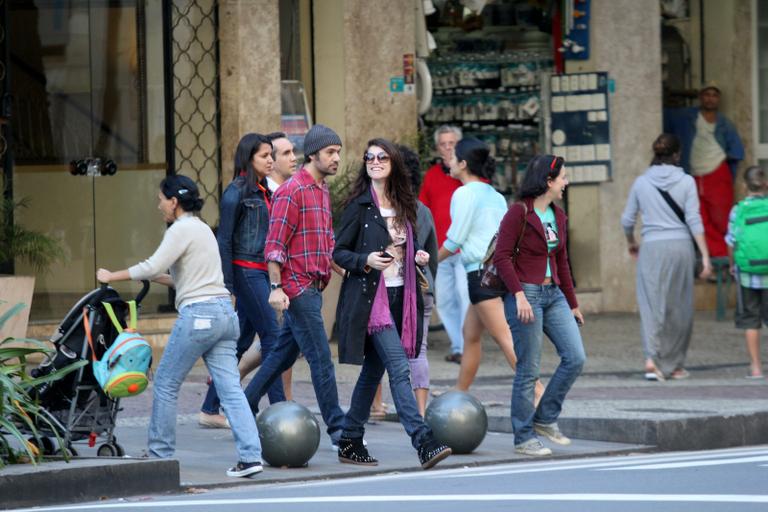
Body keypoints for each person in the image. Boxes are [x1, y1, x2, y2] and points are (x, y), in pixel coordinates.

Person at [96, 175, 263, 478]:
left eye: (161, 199)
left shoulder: (180, 229)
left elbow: (151, 266)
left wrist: (113, 276)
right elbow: (177, 278)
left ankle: (160, 455)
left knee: (166, 383)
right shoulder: (202, 230)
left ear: (174, 202)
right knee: (231, 390)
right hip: (225, 314)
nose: (159, 205)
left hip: (199, 316)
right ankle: (251, 457)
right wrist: (148, 275)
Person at [333, 138, 452, 470]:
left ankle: (350, 439)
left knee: (374, 371)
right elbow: (338, 252)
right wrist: (366, 259)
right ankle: (423, 441)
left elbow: (412, 250)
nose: (374, 161)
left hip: (404, 296)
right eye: (369, 157)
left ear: (393, 163)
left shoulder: (406, 206)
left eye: (381, 157)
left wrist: (419, 257)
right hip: (373, 300)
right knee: (399, 367)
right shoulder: (359, 206)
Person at [242, 124, 346, 448]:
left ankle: (245, 404)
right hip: (297, 288)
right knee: (321, 360)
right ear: (312, 154)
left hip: (314, 285)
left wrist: (342, 265)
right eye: (330, 152)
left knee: (280, 356)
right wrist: (276, 287)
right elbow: (274, 246)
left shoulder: (322, 189)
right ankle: (341, 433)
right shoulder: (292, 191)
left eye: (338, 152)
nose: (336, 158)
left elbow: (324, 239)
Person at [496, 154, 586, 457]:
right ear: (548, 181)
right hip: (527, 296)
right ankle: (523, 437)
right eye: (563, 177)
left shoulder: (558, 216)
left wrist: (572, 304)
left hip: (554, 295)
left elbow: (561, 261)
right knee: (528, 368)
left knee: (575, 357)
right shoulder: (518, 213)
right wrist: (519, 294)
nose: (566, 182)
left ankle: (545, 418)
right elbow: (502, 257)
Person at [437, 138, 538, 398]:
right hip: (499, 272)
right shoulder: (495, 195)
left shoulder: (463, 194)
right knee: (470, 334)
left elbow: (455, 239)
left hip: (480, 276)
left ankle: (538, 393)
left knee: (506, 339)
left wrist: (428, 260)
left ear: (463, 164)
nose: (447, 160)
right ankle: (459, 391)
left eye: (452, 157)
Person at [199, 134, 285, 429]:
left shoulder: (265, 192)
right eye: (265, 155)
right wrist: (228, 285)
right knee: (274, 339)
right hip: (246, 272)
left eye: (271, 154)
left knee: (242, 341)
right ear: (249, 158)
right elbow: (223, 240)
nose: (270, 160)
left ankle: (210, 408)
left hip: (261, 271)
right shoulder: (236, 192)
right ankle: (280, 412)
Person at [621, 134, 712, 381]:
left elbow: (627, 220)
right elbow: (694, 219)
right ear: (677, 155)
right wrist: (704, 256)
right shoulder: (687, 182)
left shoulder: (641, 182)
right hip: (681, 247)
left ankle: (652, 359)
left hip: (651, 248)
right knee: (679, 307)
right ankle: (673, 364)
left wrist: (632, 243)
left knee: (651, 305)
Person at [664, 82, 744, 259]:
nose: (710, 98)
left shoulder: (725, 123)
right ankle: (719, 257)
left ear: (719, 99)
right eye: (707, 94)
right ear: (700, 97)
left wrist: (727, 169)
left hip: (717, 173)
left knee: (722, 218)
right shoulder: (685, 116)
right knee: (700, 219)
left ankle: (732, 256)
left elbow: (737, 151)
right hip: (693, 175)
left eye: (714, 95)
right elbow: (660, 115)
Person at [419, 125, 470, 363]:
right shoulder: (431, 175)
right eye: (443, 144)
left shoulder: (467, 173)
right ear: (437, 148)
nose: (448, 148)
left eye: (452, 144)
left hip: (465, 248)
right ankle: (459, 346)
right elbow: (423, 208)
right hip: (440, 250)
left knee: (465, 295)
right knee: (446, 300)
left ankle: (469, 344)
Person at [400, 144, 439, 416]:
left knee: (378, 351)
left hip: (395, 289)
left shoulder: (384, 208)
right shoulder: (422, 210)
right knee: (419, 350)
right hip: (423, 287)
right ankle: (421, 411)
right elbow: (433, 254)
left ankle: (377, 405)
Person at [726, 165, 768, 379]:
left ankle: (756, 368)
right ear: (766, 185)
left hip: (747, 274)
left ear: (744, 186)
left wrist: (733, 265)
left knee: (751, 320)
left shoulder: (738, 210)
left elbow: (731, 241)